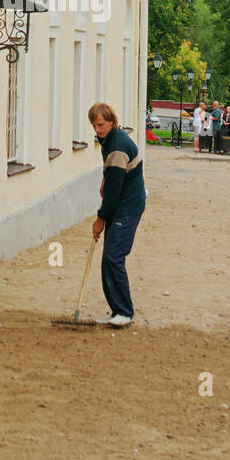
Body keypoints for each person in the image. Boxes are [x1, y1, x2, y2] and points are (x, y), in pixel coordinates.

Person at [89, 102, 145, 328]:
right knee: (109, 259)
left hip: (128, 207)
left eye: (100, 124)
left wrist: (100, 218)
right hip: (122, 203)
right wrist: (106, 177)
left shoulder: (118, 145)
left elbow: (113, 192)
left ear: (111, 121)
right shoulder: (110, 140)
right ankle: (117, 311)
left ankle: (124, 312)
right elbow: (111, 176)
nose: (97, 129)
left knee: (113, 256)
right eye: (93, 125)